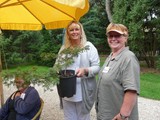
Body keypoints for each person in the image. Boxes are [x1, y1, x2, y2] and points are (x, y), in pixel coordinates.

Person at [56, 20, 100, 120]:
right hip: (66, 90)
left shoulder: (88, 46)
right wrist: (56, 70)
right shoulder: (64, 48)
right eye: (71, 30)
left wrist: (85, 70)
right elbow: (57, 65)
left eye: (77, 29)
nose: (74, 32)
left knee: (83, 117)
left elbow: (97, 67)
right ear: (67, 33)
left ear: (81, 32)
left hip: (82, 91)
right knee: (69, 117)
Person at [96, 23, 140, 120]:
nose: (113, 38)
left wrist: (123, 115)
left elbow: (131, 90)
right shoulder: (110, 56)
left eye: (117, 35)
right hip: (105, 114)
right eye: (110, 36)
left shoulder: (128, 58)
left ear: (125, 38)